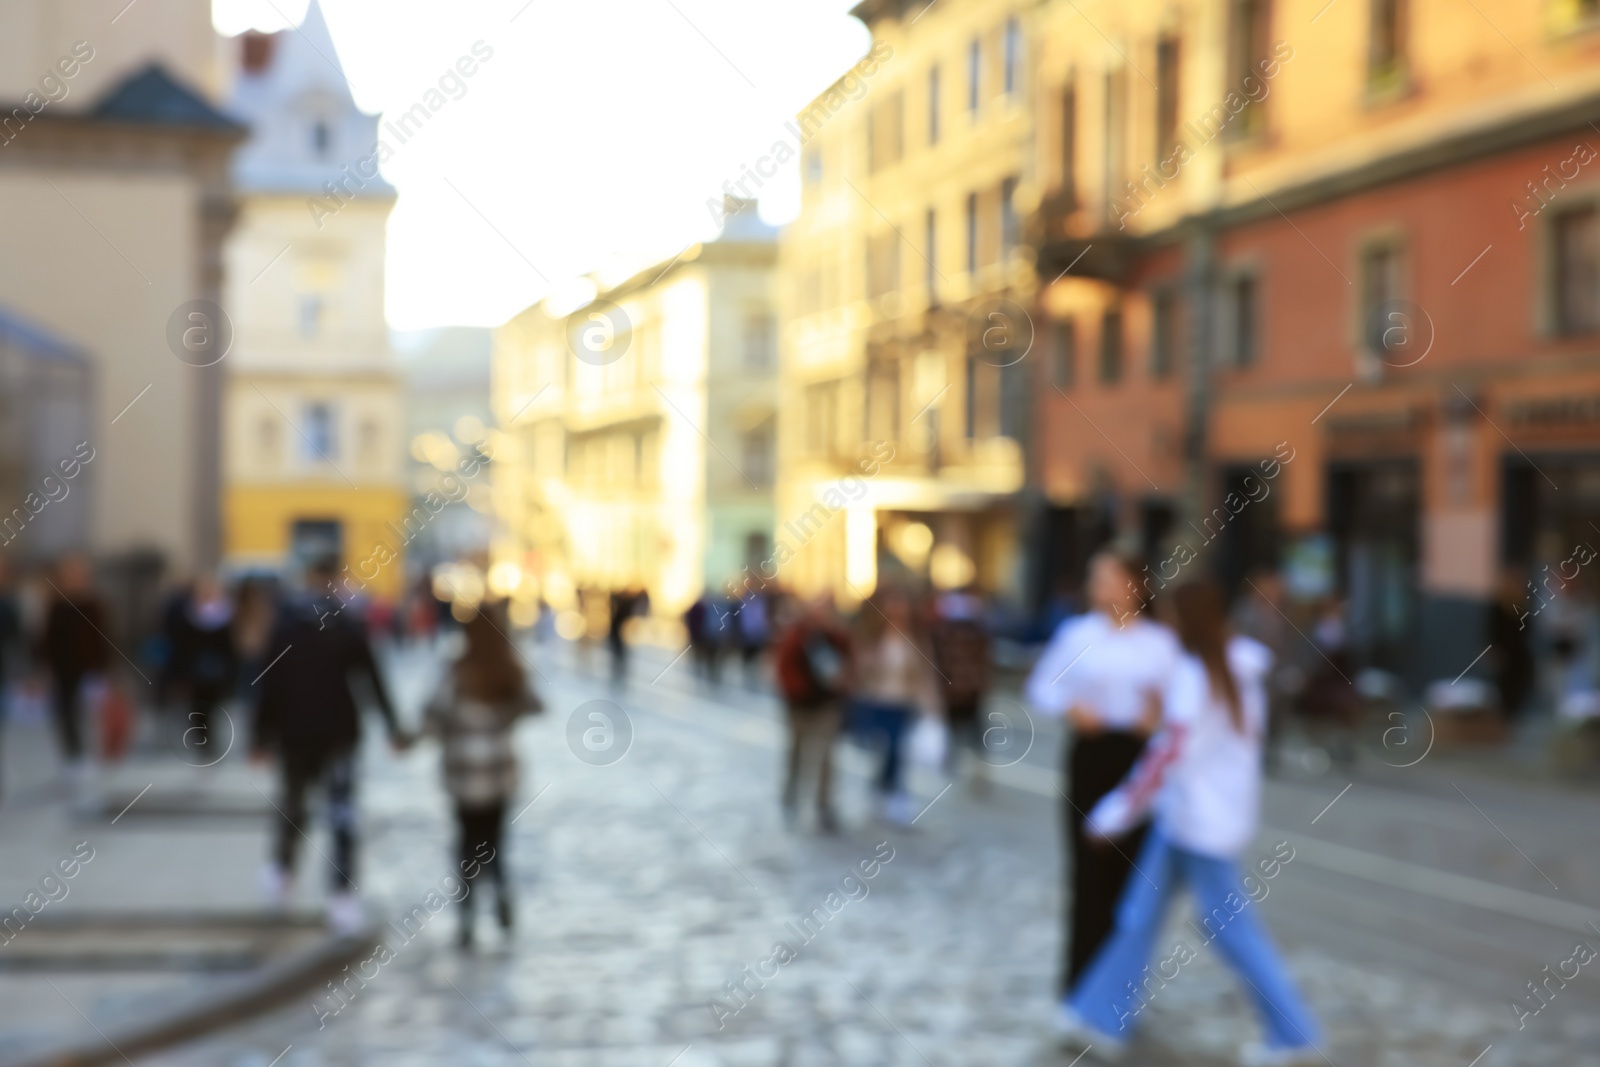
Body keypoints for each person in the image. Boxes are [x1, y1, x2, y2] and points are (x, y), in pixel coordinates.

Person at [1058, 579, 1322, 1066]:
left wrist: (1116, 812)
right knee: (1139, 916)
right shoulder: (1233, 670)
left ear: (1184, 619)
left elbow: (1168, 754)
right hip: (1192, 820)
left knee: (1231, 931)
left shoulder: (1200, 676)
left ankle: (1293, 1033)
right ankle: (1098, 1016)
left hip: (1197, 825)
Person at [1025, 549, 1180, 994]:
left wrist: (1158, 719)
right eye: (1096, 579)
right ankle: (1080, 983)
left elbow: (1182, 705)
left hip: (1137, 758)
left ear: (1135, 585)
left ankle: (1121, 989)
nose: (1100, 587)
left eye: (1110, 578)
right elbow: (1042, 687)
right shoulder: (1077, 635)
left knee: (1132, 878)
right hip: (1091, 756)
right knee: (1087, 871)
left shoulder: (1159, 643)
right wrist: (1071, 708)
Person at [251, 561, 411, 933]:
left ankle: (288, 876)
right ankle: (335, 892)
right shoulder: (342, 625)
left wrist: (260, 736)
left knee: (300, 807)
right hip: (334, 734)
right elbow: (372, 680)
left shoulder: (292, 624)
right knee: (334, 812)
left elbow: (267, 685)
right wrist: (392, 727)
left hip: (305, 735)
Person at [422, 600, 542, 948]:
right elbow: (534, 705)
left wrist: (428, 733)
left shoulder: (456, 670)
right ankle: (502, 897)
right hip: (498, 774)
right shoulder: (508, 670)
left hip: (463, 774)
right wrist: (506, 715)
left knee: (466, 845)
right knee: (495, 845)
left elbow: (433, 714)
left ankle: (468, 917)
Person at [851, 588, 936, 827]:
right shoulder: (875, 638)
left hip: (903, 703)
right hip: (879, 701)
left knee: (898, 749)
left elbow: (925, 673)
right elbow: (861, 669)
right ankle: (881, 790)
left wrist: (931, 704)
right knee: (884, 749)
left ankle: (895, 794)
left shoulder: (915, 639)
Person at [773, 594, 852, 832]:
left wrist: (843, 684)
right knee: (796, 752)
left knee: (826, 756)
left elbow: (850, 666)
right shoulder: (797, 636)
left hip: (826, 706)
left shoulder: (838, 638)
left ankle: (824, 804)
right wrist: (800, 691)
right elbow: (784, 668)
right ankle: (791, 797)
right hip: (799, 706)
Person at [38, 555, 110, 776]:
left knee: (89, 713)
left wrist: (101, 668)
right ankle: (73, 756)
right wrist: (44, 667)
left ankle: (92, 756)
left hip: (88, 669)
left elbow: (103, 639)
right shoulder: (56, 604)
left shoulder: (93, 604)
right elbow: (47, 639)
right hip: (63, 670)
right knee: (65, 713)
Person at [166, 574, 239, 763]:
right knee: (197, 708)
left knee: (215, 709)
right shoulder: (187, 613)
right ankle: (202, 743)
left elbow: (232, 648)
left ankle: (211, 742)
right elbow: (180, 644)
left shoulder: (227, 613)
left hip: (218, 672)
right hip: (194, 671)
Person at [930, 589, 992, 789]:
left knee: (967, 729)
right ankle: (962, 762)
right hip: (963, 691)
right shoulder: (972, 633)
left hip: (963, 691)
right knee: (961, 729)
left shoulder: (950, 634)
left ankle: (966, 764)